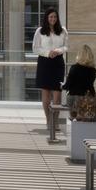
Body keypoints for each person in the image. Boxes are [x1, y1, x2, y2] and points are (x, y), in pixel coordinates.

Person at [32, 8, 68, 143]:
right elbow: (35, 48)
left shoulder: (63, 30)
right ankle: (48, 120)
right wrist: (48, 53)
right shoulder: (40, 31)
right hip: (44, 63)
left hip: (58, 63)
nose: (52, 19)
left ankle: (56, 121)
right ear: (46, 18)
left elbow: (66, 46)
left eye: (54, 17)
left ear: (57, 18)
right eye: (50, 17)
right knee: (46, 94)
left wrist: (57, 51)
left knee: (57, 95)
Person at [61, 45, 96, 109]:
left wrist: (62, 86)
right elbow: (90, 85)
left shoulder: (74, 68)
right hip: (87, 96)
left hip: (73, 96)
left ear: (79, 55)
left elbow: (68, 85)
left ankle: (74, 118)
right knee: (85, 116)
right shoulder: (92, 70)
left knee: (73, 116)